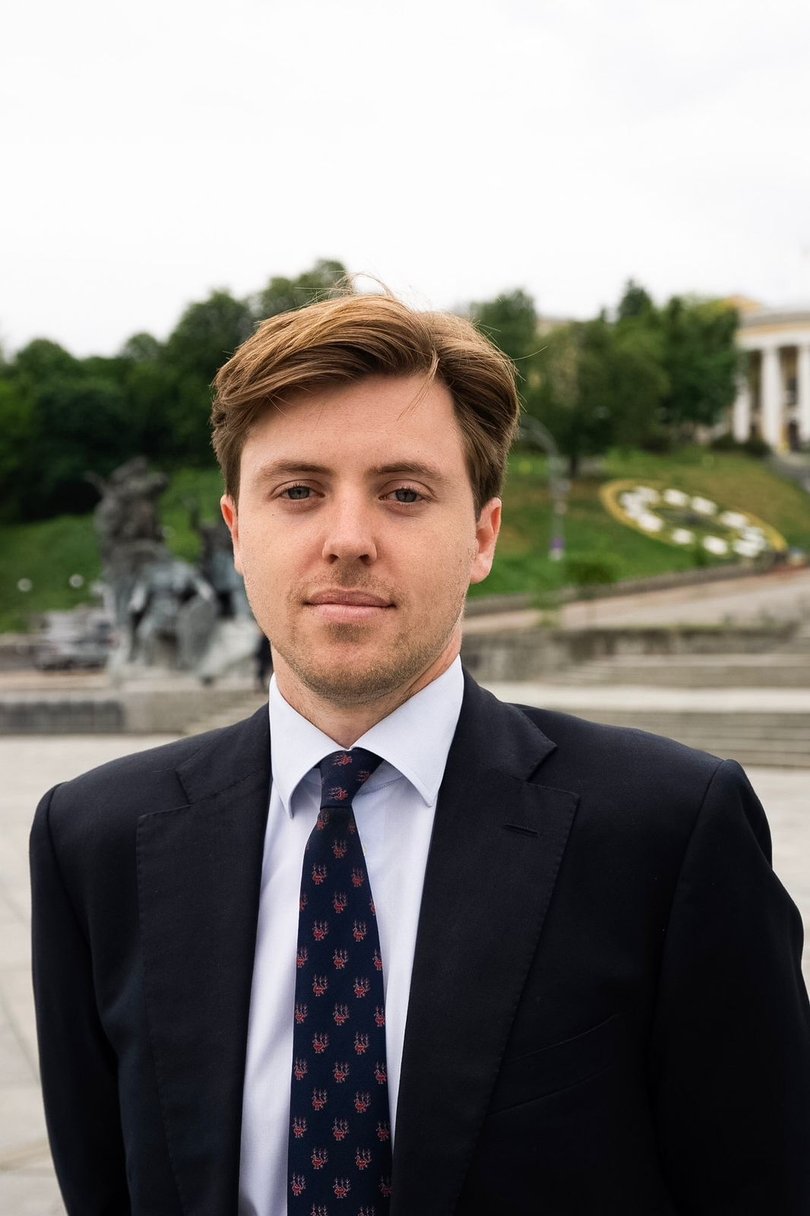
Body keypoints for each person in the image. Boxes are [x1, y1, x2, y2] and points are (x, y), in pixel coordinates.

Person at [31, 294, 810, 1215]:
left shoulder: (669, 830)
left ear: (481, 536)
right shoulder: (96, 839)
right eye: (299, 491)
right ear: (238, 537)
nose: (349, 540)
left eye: (404, 493)